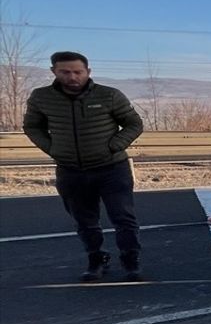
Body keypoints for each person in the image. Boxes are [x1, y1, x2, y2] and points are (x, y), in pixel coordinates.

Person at [23, 51, 145, 281]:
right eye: (65, 72)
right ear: (54, 72)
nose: (72, 77)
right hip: (70, 170)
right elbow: (32, 127)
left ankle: (131, 260)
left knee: (123, 218)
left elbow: (134, 124)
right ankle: (96, 259)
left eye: (77, 72)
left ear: (88, 72)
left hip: (112, 168)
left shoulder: (109, 95)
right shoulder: (42, 98)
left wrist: (114, 145)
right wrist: (53, 149)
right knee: (85, 221)